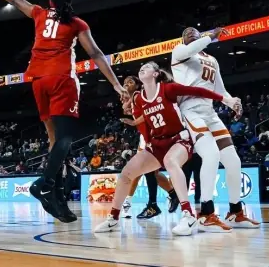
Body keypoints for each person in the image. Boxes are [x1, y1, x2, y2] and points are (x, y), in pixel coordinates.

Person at [0, 0, 129, 223]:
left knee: (53, 141)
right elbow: (96, 54)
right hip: (61, 79)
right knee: (66, 138)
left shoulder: (38, 13)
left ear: (50, 2)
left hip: (38, 79)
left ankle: (58, 199)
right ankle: (46, 184)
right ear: (69, 2)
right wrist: (115, 84)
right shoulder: (77, 23)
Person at [95, 62, 230, 236]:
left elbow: (198, 91)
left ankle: (188, 215)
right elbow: (143, 114)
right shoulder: (138, 97)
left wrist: (225, 99)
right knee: (125, 174)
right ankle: (113, 219)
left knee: (170, 161)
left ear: (156, 74)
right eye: (140, 67)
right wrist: (132, 114)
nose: (142, 68)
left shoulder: (168, 89)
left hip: (179, 140)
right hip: (157, 144)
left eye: (147, 67)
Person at [171, 27, 258, 231]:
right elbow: (195, 46)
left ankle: (235, 212)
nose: (191, 33)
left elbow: (219, 89)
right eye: (187, 33)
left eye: (195, 31)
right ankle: (205, 214)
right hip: (189, 110)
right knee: (210, 155)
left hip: (209, 112)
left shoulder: (211, 59)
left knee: (233, 161)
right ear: (182, 38)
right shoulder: (179, 51)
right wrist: (210, 36)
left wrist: (232, 103)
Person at [118, 76, 178, 220]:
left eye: (130, 82)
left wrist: (133, 122)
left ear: (138, 85)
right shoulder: (134, 98)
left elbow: (148, 113)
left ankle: (147, 204)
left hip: (152, 135)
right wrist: (126, 105)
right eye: (125, 83)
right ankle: (172, 195)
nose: (126, 84)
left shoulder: (139, 96)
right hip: (145, 137)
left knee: (143, 171)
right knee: (150, 173)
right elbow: (132, 110)